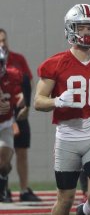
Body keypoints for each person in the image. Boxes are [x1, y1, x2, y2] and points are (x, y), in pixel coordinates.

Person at [34, 4, 90, 215]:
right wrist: (57, 102)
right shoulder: (55, 63)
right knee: (65, 199)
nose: (87, 32)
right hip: (67, 136)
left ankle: (85, 210)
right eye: (81, 27)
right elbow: (38, 101)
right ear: (70, 29)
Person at [0, 29, 42, 202]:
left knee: (17, 152)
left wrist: (26, 102)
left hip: (11, 116)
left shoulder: (14, 69)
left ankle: (21, 189)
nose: (2, 43)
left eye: (3, 39)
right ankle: (4, 188)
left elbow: (27, 81)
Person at [0, 48, 24, 202]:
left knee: (3, 163)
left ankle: (3, 180)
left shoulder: (13, 75)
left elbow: (24, 89)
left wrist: (24, 101)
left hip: (6, 124)